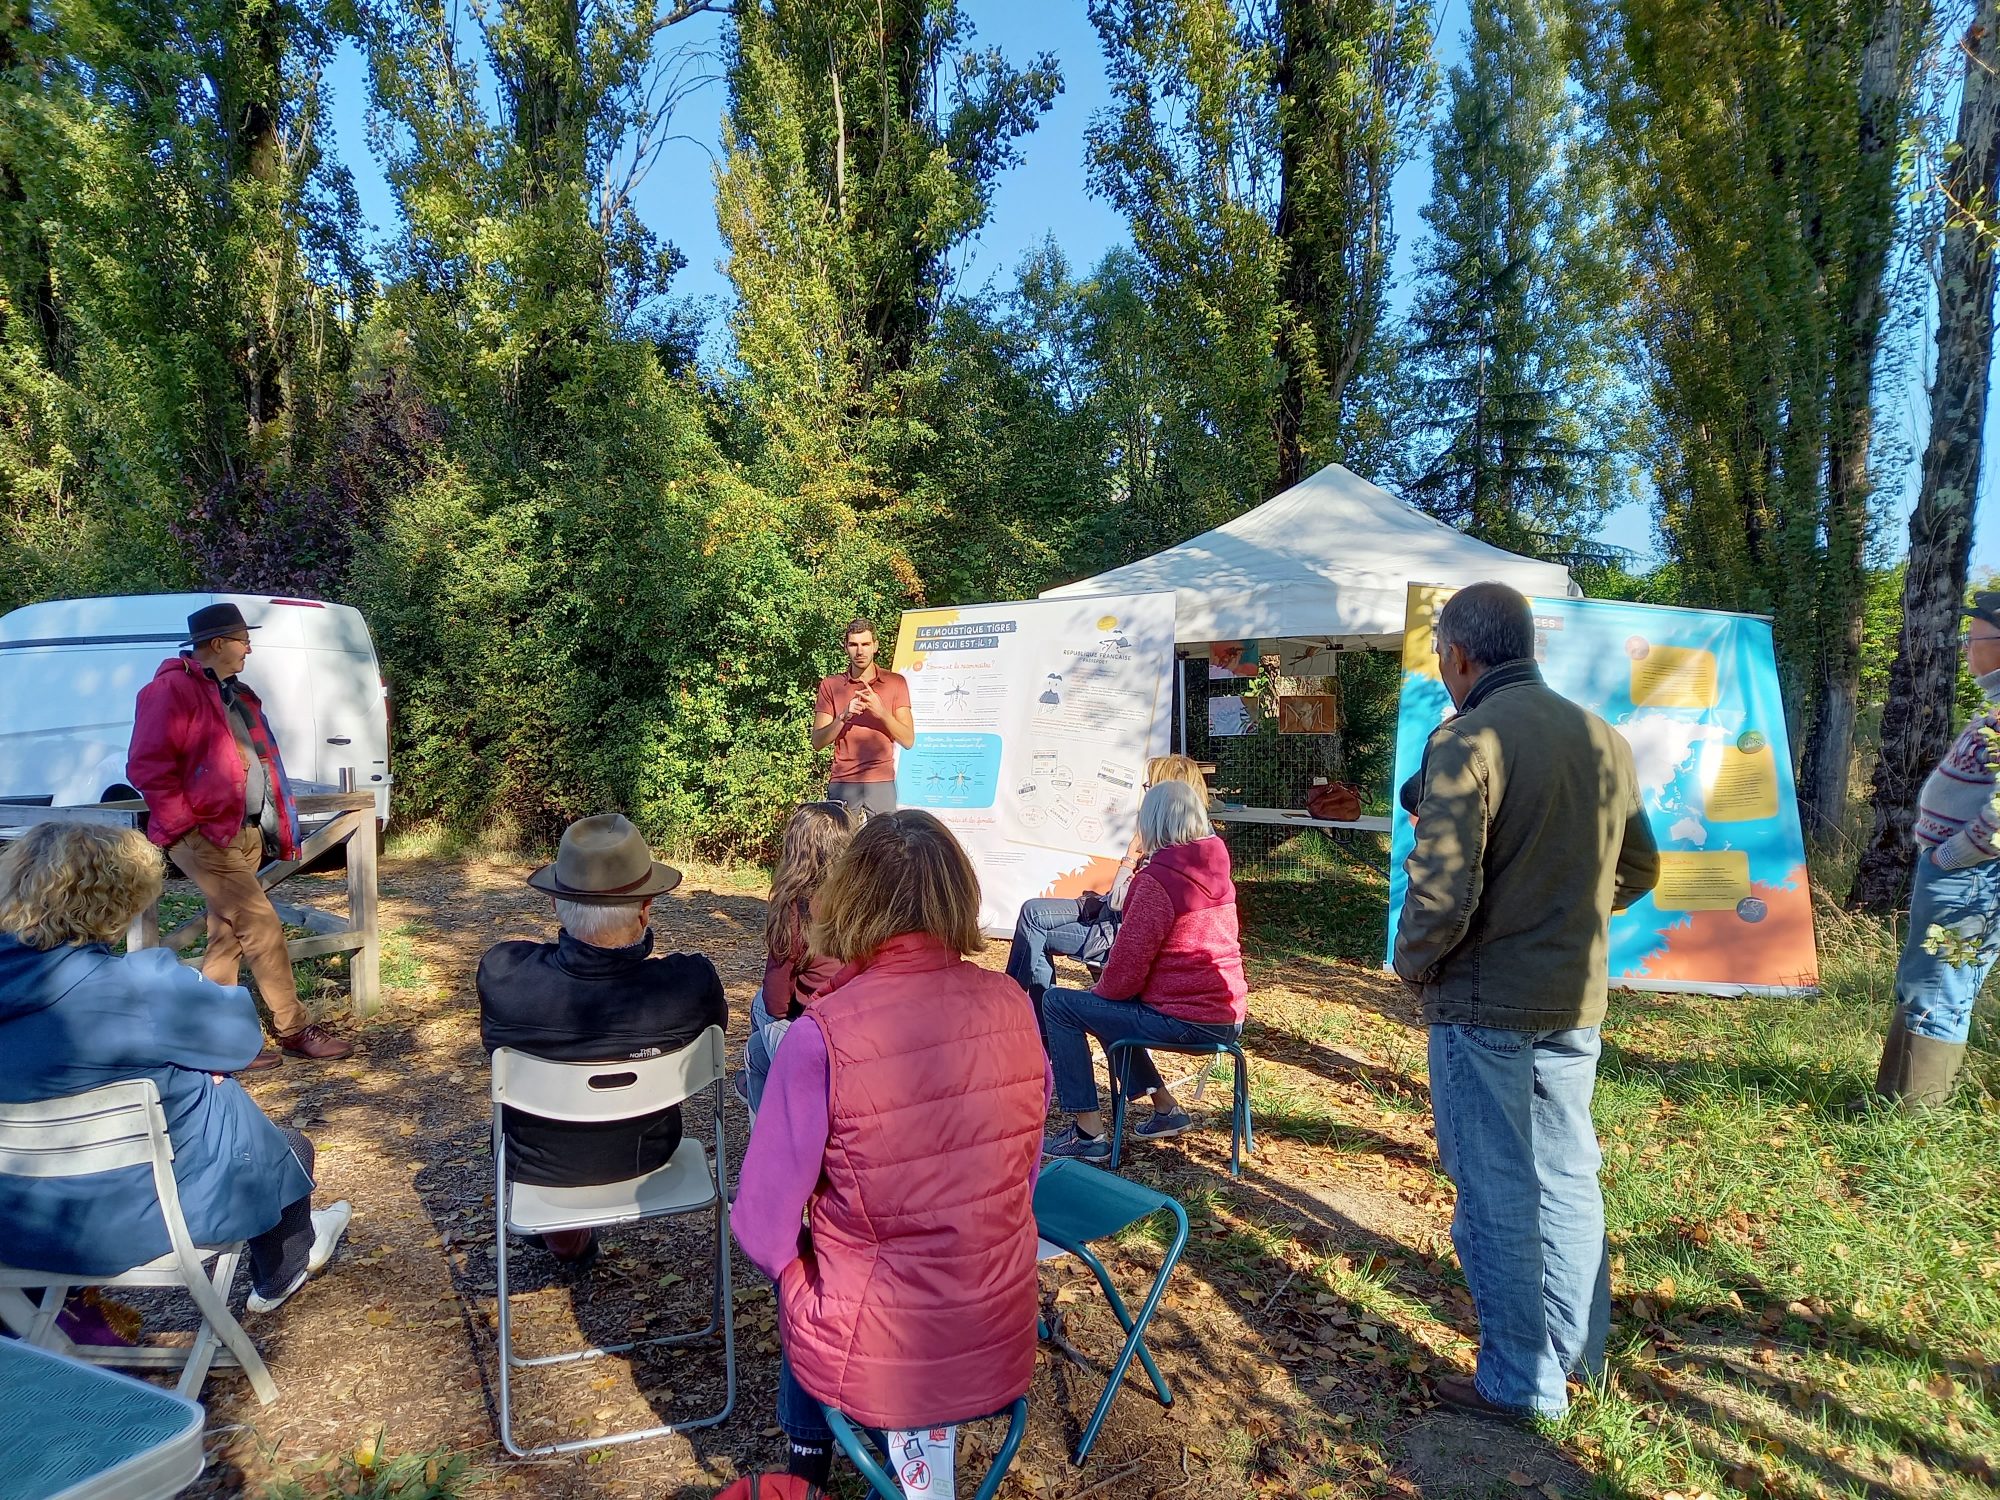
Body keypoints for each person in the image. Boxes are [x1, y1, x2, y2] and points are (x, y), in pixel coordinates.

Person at [1392, 582, 1659, 1423]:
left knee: (1497, 1185)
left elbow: (1441, 896)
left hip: (1481, 1002)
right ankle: (1578, 1357)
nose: (1443, 671)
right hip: (1573, 996)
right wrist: (1560, 909)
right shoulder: (1603, 738)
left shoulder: (1467, 738)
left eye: (1443, 658)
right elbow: (1642, 870)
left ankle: (1519, 1381)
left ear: (1461, 656)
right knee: (1570, 1174)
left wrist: (1413, 968)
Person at [732, 811, 1047, 1492]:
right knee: (824, 1269)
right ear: (958, 894)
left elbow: (761, 1229)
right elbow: (1021, 1171)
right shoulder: (1015, 1005)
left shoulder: (821, 1037)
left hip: (880, 1357)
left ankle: (807, 1462)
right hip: (996, 1331)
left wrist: (798, 1278)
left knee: (809, 1271)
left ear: (850, 899)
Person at [0, 822, 351, 1314]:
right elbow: (241, 1042)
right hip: (136, 1222)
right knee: (283, 1142)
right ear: (121, 899)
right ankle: (282, 1272)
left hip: (18, 1228)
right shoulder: (143, 986)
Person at [477, 813, 727, 1264]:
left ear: (555, 903)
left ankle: (566, 1241)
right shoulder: (689, 985)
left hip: (539, 1167)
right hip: (649, 1157)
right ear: (646, 906)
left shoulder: (504, 976)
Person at [126, 601, 352, 1067]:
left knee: (226, 935)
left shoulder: (234, 692)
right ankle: (293, 1028)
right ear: (217, 644)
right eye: (242, 639)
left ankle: (217, 1040)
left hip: (242, 830)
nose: (249, 647)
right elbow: (147, 767)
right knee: (260, 922)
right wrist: (188, 825)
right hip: (205, 836)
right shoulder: (169, 691)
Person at [1041, 779, 1247, 1161]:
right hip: (1228, 1016)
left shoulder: (1157, 881)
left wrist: (1096, 995)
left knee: (1059, 1003)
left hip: (1186, 1019)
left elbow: (1124, 974)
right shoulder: (1216, 868)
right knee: (1106, 1012)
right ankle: (1165, 1108)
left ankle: (1087, 1135)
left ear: (1151, 823)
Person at [1865, 590, 2000, 1109]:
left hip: (1970, 878)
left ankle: (1914, 1116)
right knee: (1928, 976)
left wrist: (1953, 856)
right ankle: (1894, 1097)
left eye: (1977, 634)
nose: (1968, 645)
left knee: (1941, 981)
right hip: (1962, 873)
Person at [1005, 754, 1210, 1024]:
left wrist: (1129, 856)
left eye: (1149, 787)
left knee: (1037, 930)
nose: (1144, 794)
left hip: (1114, 931)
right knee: (1033, 912)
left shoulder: (1170, 853)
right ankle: (1019, 1011)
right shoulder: (1199, 846)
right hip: (1108, 916)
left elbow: (1121, 904)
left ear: (1165, 795)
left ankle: (1019, 1015)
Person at [742, 801, 861, 1114]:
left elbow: (775, 1003)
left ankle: (770, 1135)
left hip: (821, 1039)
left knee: (757, 1020)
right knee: (759, 1048)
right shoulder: (865, 900)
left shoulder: (795, 909)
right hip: (863, 1030)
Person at [810, 618, 914, 818]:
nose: (860, 651)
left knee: (884, 847)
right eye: (853, 645)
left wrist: (881, 712)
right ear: (845, 647)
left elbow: (908, 740)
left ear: (875, 646)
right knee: (841, 847)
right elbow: (817, 741)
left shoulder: (895, 682)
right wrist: (842, 717)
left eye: (865, 644)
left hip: (881, 781)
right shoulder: (831, 685)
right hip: (843, 782)